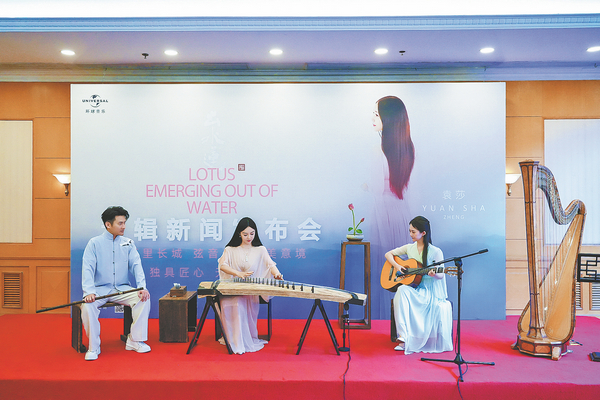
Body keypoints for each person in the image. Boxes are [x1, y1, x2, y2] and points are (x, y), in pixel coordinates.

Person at [80, 206, 151, 361]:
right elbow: (88, 268)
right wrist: (89, 292)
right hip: (99, 290)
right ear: (108, 224)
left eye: (124, 223)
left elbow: (136, 266)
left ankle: (134, 340)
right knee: (87, 306)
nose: (124, 226)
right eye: (120, 223)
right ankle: (94, 346)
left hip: (122, 289)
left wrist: (142, 287)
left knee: (143, 298)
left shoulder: (128, 243)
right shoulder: (94, 243)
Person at [370, 96, 415, 318]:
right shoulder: (406, 148)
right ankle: (400, 315)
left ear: (388, 119)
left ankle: (385, 316)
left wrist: (365, 186)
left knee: (385, 266)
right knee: (399, 267)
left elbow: (377, 187)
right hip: (400, 212)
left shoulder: (379, 151)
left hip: (384, 212)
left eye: (376, 114)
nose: (373, 118)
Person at [385, 216, 453, 355]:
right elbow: (388, 254)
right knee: (402, 289)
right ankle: (404, 337)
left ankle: (415, 338)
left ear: (423, 233)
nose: (410, 234)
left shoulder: (436, 251)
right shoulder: (409, 248)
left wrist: (434, 274)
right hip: (417, 289)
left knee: (404, 291)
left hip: (430, 292)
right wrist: (397, 266)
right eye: (410, 231)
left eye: (413, 231)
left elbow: (441, 275)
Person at [217, 217, 283, 354]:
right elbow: (223, 266)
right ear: (239, 234)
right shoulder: (230, 249)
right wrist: (238, 273)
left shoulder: (260, 250)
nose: (249, 237)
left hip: (249, 291)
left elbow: (270, 265)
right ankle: (235, 340)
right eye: (245, 234)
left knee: (241, 302)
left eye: (252, 233)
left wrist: (277, 274)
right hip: (232, 290)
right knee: (235, 302)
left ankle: (242, 340)